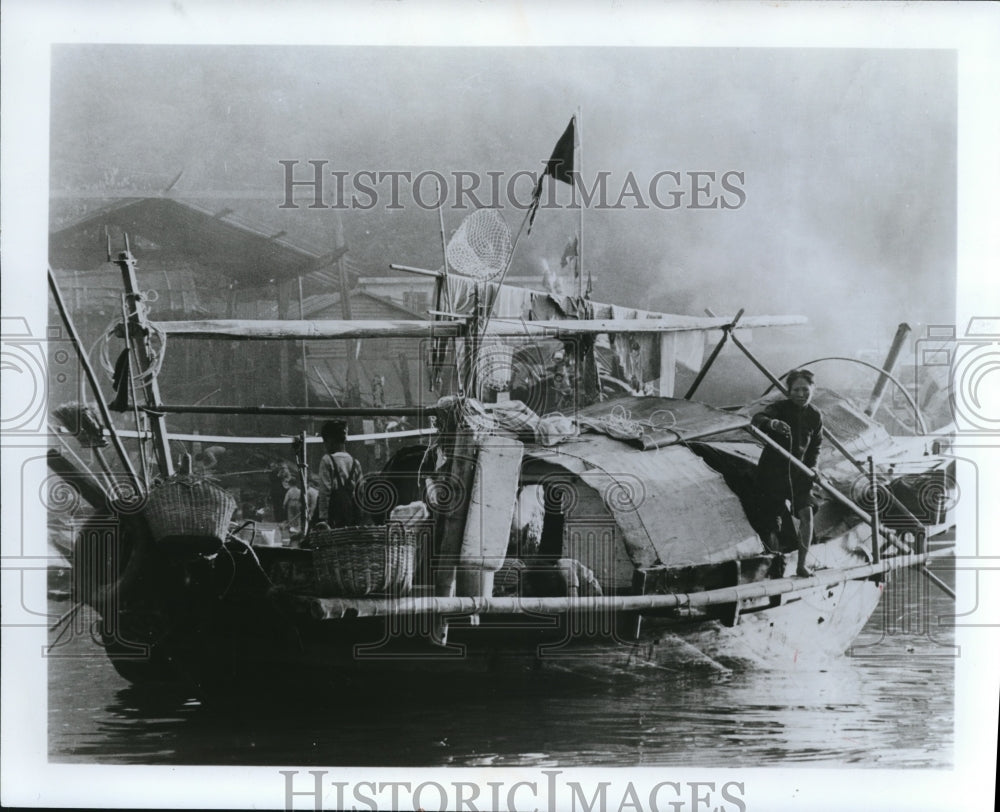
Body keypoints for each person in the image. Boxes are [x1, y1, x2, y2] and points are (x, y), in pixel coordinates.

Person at [751, 369, 823, 576]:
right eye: (796, 390)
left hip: (799, 474)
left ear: (813, 390)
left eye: (805, 390)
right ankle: (774, 566)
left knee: (807, 515)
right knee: (771, 521)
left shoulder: (815, 416)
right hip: (772, 472)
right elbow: (758, 418)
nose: (801, 394)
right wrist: (772, 423)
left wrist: (814, 467)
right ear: (788, 391)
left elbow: (815, 447)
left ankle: (802, 565)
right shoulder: (779, 408)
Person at [315, 420, 364, 529]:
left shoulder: (327, 460)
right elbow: (360, 493)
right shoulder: (355, 463)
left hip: (332, 516)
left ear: (330, 440)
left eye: (325, 442)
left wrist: (323, 519)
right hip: (350, 516)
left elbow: (324, 492)